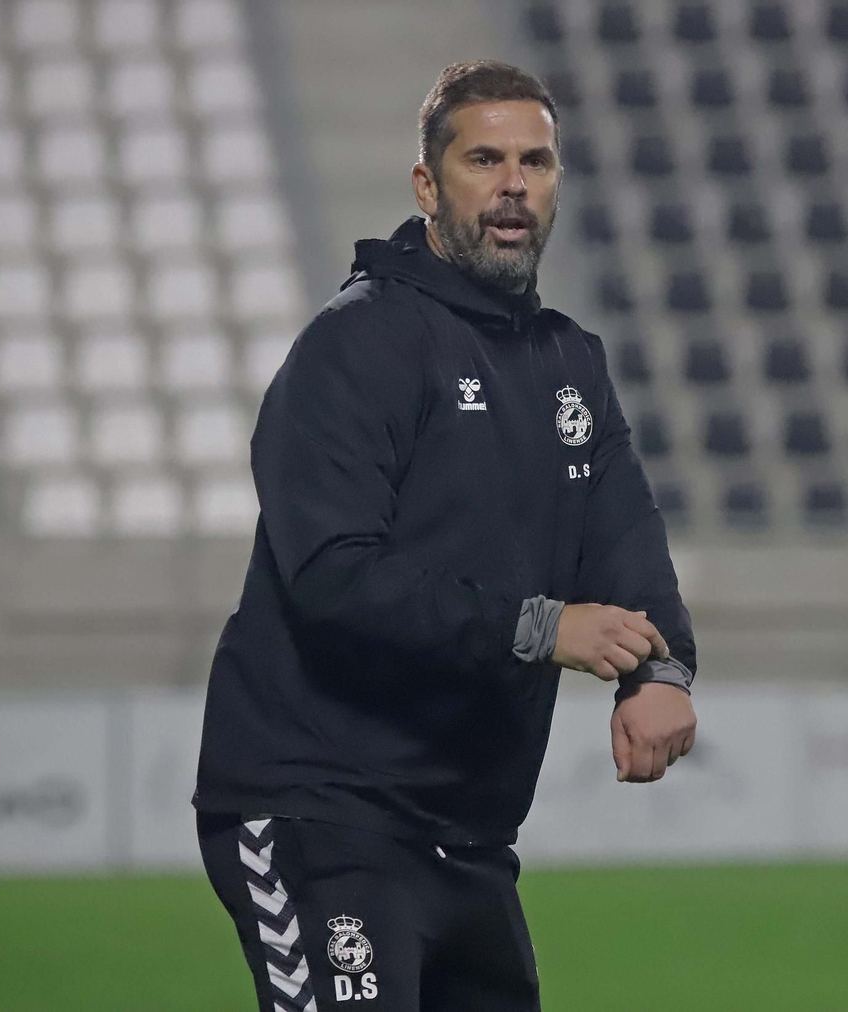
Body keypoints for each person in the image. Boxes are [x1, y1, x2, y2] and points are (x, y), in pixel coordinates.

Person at [194, 60, 697, 1012]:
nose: (515, 183)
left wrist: (658, 673)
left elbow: (625, 539)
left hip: (464, 840)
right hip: (318, 814)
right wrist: (544, 628)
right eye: (486, 159)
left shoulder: (570, 362)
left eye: (537, 162)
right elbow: (335, 577)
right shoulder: (356, 345)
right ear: (428, 184)